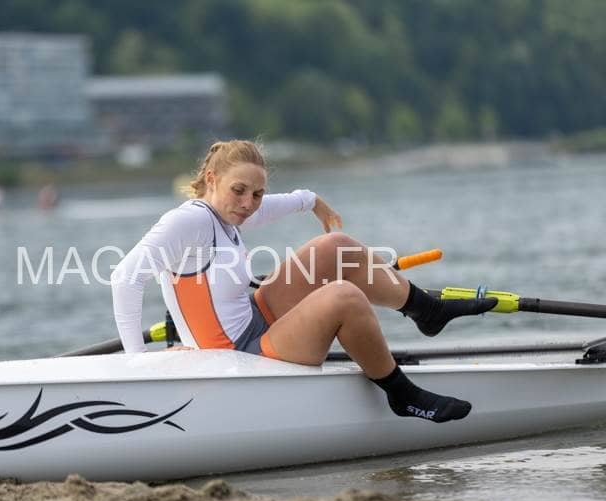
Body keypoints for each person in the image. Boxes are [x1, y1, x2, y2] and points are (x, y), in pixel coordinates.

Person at [111, 140, 497, 423]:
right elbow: (125, 278)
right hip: (238, 355)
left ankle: (426, 311)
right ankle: (401, 393)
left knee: (334, 247)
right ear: (211, 179)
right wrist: (136, 364)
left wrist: (312, 201)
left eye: (256, 194)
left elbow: (275, 206)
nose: (248, 203)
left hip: (254, 321)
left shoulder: (226, 214)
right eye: (239, 191)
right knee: (343, 297)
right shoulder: (190, 221)